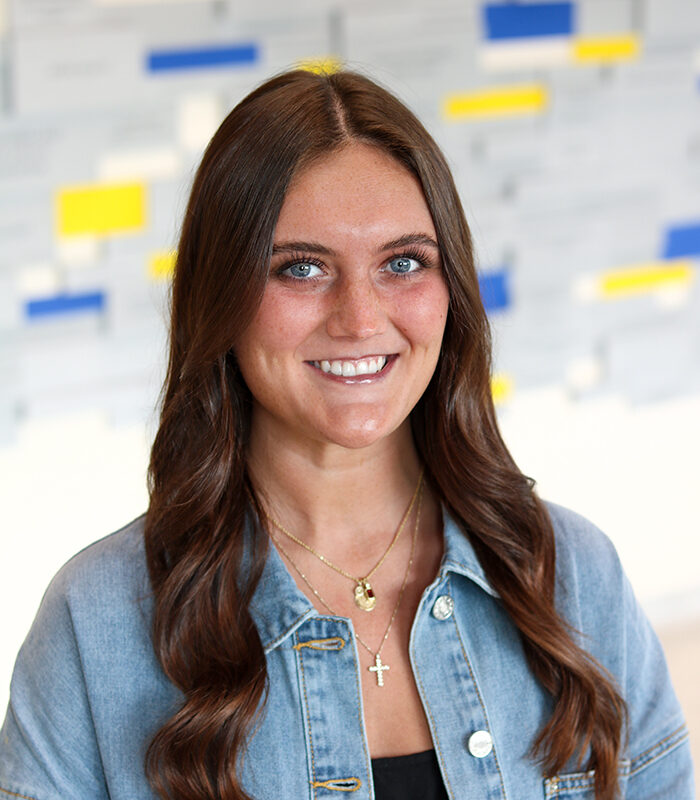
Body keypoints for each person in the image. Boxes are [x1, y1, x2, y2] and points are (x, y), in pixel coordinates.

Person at [0, 69, 694, 800]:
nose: (360, 319)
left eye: (403, 263)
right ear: (222, 296)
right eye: (300, 268)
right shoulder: (97, 624)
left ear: (449, 287)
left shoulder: (575, 579)